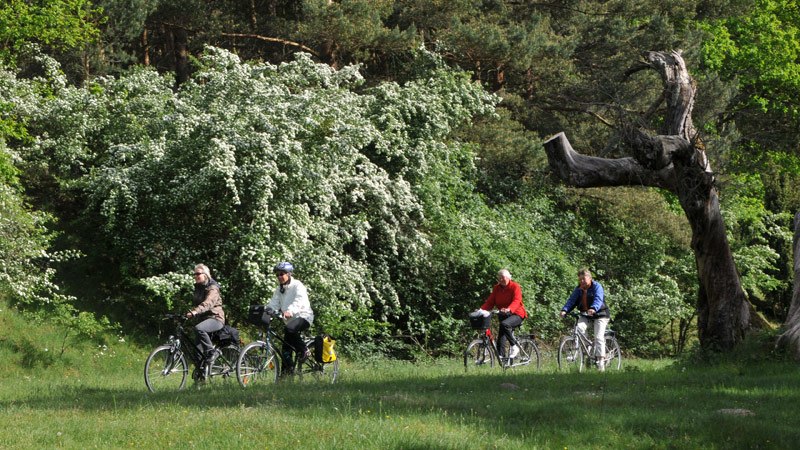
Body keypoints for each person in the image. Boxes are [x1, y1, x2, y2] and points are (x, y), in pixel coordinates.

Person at [266, 261, 315, 374]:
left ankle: (304, 350)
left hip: (304, 316)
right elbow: (274, 303)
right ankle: (286, 374)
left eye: (281, 274)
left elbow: (299, 300)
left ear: (289, 274)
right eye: (277, 274)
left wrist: (290, 311)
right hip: (289, 321)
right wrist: (268, 310)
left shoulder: (297, 285)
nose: (279, 276)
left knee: (289, 329)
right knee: (286, 349)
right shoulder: (279, 289)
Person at [559, 268, 611, 371]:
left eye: (583, 279)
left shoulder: (597, 286)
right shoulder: (578, 289)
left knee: (598, 337)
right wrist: (565, 310)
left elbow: (598, 299)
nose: (581, 281)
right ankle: (588, 349)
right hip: (585, 315)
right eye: (580, 279)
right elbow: (571, 301)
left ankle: (601, 362)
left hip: (600, 314)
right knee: (579, 329)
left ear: (590, 278)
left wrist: (593, 308)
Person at [476, 268, 527, 359]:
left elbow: (517, 300)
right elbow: (490, 302)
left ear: (508, 278)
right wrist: (481, 310)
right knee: (501, 338)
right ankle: (501, 358)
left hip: (517, 314)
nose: (500, 280)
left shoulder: (515, 286)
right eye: (499, 278)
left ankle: (514, 346)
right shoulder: (497, 288)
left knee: (504, 324)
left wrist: (509, 309)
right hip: (503, 314)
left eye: (502, 277)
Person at [185, 263, 226, 371]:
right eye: (194, 274)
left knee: (199, 329)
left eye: (198, 274)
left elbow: (208, 303)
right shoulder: (199, 287)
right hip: (203, 320)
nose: (196, 276)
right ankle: (201, 379)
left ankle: (212, 353)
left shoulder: (213, 288)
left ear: (205, 275)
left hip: (216, 318)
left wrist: (195, 311)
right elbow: (196, 304)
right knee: (197, 352)